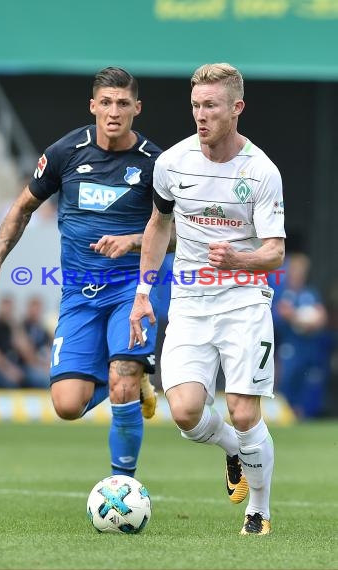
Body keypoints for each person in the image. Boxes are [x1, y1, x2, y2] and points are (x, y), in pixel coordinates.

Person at [0, 67, 163, 477]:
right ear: (93, 105)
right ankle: (132, 384)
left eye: (123, 103)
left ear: (137, 108)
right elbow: (23, 207)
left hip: (132, 290)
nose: (114, 112)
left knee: (122, 378)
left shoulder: (155, 164)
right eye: (107, 103)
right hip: (79, 295)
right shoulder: (66, 152)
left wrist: (132, 240)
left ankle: (123, 486)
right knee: (67, 405)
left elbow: (178, 234)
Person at [129, 63, 286, 535]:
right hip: (191, 303)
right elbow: (158, 225)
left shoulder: (261, 172)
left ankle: (258, 508)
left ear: (236, 108)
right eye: (196, 105)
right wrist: (142, 293)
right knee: (186, 412)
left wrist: (239, 260)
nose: (201, 115)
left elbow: (275, 252)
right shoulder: (172, 163)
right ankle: (234, 451)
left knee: (242, 410)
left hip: (244, 301)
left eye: (211, 106)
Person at [270, 252, 333, 418]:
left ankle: (304, 414)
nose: (299, 275)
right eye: (296, 271)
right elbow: (279, 316)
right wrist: (299, 318)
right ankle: (286, 415)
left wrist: (299, 318)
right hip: (290, 347)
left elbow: (321, 317)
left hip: (310, 347)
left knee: (310, 383)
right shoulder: (282, 294)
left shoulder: (310, 293)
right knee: (287, 382)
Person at [0, 295, 50, 389]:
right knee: (13, 383)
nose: (7, 311)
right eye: (5, 307)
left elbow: (27, 352)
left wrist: (15, 327)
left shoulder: (14, 328)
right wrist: (8, 369)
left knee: (40, 379)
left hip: (15, 368)